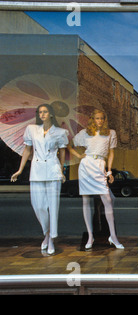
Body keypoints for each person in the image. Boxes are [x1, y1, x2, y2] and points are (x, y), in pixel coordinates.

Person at [11, 104, 68, 255]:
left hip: (53, 170)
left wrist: (62, 171)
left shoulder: (60, 132)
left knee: (53, 206)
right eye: (40, 112)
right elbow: (27, 150)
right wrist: (20, 169)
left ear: (51, 114)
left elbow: (62, 153)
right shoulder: (31, 129)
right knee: (39, 206)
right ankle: (47, 233)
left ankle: (50, 239)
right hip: (36, 170)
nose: (42, 114)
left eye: (45, 111)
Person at [68, 109, 124, 250]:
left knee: (107, 200)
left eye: (102, 118)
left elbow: (111, 153)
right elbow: (69, 144)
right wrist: (79, 156)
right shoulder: (85, 133)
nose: (99, 121)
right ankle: (90, 236)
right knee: (86, 201)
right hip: (86, 165)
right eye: (97, 118)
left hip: (100, 165)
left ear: (105, 120)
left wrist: (109, 171)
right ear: (92, 119)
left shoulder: (111, 133)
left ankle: (113, 236)